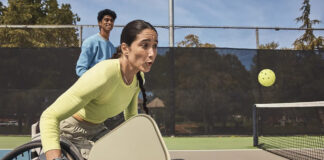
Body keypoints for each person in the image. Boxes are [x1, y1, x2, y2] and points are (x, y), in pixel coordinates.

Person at [40, 19, 158, 160]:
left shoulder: (139, 78)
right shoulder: (103, 74)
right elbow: (49, 117)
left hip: (97, 130)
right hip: (69, 131)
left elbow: (131, 116)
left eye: (155, 46)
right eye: (145, 45)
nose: (151, 53)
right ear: (125, 48)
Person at [75, 9, 117, 77]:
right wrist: (95, 81)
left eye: (111, 20)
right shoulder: (90, 42)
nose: (109, 22)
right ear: (99, 23)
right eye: (106, 20)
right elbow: (80, 70)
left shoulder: (113, 48)